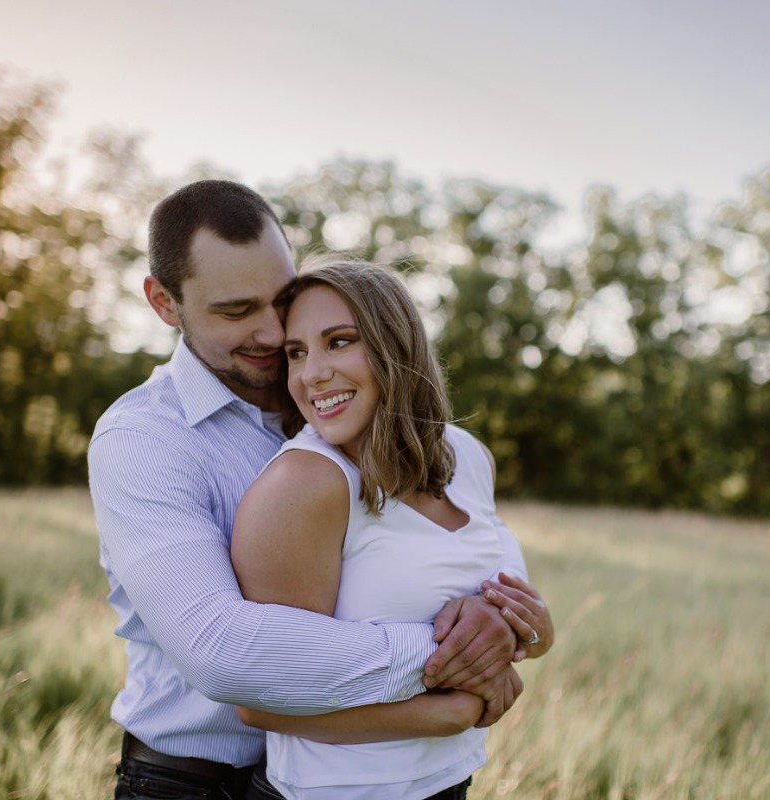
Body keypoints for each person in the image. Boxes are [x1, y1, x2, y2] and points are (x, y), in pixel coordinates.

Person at [88, 180, 542, 800]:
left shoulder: (332, 402)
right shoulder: (142, 440)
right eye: (236, 311)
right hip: (193, 781)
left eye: (281, 300)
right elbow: (221, 653)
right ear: (164, 303)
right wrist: (453, 658)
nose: (275, 335)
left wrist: (502, 622)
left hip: (360, 762)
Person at [229, 258, 554, 800]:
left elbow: (506, 605)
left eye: (338, 342)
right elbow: (258, 701)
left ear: (395, 345)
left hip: (451, 783)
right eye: (296, 352)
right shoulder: (305, 483)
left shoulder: (467, 456)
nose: (311, 374)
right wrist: (448, 713)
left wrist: (532, 632)